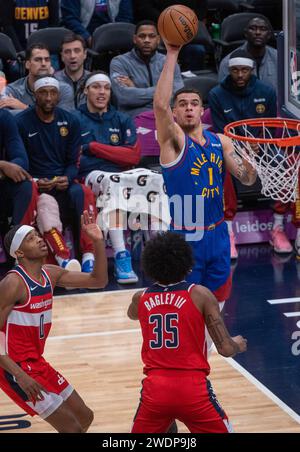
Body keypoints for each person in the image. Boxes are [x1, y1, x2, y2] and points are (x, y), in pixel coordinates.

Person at [153, 41, 257, 310]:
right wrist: (173, 53)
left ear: (202, 111)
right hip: (186, 236)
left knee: (217, 303)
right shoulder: (172, 141)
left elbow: (246, 179)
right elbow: (160, 106)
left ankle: (207, 352)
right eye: (183, 104)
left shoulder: (220, 142)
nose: (188, 108)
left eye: (194, 103)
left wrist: (252, 158)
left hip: (218, 232)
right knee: (187, 308)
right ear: (175, 113)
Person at [128, 231, 247, 433]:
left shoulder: (141, 298)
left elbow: (132, 314)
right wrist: (238, 343)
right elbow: (226, 349)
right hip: (192, 389)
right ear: (187, 265)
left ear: (150, 267)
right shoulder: (201, 295)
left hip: (155, 390)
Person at [0, 212, 108, 433]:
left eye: (38, 235)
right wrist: (20, 375)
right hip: (14, 367)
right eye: (30, 238)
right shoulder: (13, 283)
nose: (39, 239)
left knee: (84, 417)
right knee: (72, 429)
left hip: (36, 361)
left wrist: (97, 242)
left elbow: (98, 280)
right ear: (19, 253)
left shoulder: (51, 273)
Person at [16, 76, 97, 272]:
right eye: (43, 93)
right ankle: (60, 258)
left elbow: (73, 161)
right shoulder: (20, 121)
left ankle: (88, 256)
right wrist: (35, 180)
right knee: (42, 202)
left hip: (62, 180)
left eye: (53, 93)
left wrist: (67, 178)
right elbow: (18, 159)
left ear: (59, 96)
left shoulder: (70, 121)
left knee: (84, 192)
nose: (48, 97)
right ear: (35, 95)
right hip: (35, 182)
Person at [208, 49, 277, 258]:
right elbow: (221, 131)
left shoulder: (267, 91)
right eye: (235, 70)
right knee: (221, 170)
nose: (239, 75)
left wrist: (259, 145)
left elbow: (271, 128)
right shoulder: (216, 94)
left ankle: (280, 226)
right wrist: (243, 148)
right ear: (229, 70)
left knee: (286, 166)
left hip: (262, 147)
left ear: (252, 70)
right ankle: (228, 232)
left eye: (244, 70)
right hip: (231, 149)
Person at [76, 71, 140, 284]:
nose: (102, 92)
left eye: (106, 87)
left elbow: (133, 156)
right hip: (89, 176)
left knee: (156, 182)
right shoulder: (74, 118)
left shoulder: (122, 119)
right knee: (113, 183)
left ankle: (163, 254)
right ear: (86, 90)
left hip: (121, 176)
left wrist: (93, 147)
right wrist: (115, 154)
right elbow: (76, 158)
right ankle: (122, 255)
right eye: (96, 87)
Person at [110, 20, 183, 117]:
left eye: (152, 36)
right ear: (135, 39)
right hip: (134, 117)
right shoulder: (119, 62)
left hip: (165, 116)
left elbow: (177, 94)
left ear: (158, 39)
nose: (147, 40)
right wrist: (164, 91)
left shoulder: (169, 62)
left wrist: (136, 90)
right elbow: (124, 97)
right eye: (142, 36)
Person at [0, 44, 74, 112]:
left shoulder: (63, 89)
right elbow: (7, 120)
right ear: (28, 64)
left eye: (47, 60)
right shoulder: (12, 90)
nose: (43, 64)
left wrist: (24, 108)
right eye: (38, 60)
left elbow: (63, 119)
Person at [218, 16, 278, 94]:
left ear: (269, 35)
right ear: (246, 33)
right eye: (253, 28)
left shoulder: (280, 58)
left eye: (263, 29)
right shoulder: (229, 62)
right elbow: (223, 95)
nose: (258, 32)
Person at [0, 108, 36, 228]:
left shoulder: (3, 117)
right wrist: (2, 165)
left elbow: (21, 160)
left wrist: (6, 168)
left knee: (26, 186)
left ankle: (18, 236)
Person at [61, 0, 134, 48]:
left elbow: (125, 16)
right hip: (84, 35)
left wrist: (116, 37)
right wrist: (86, 37)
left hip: (113, 35)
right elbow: (70, 18)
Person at [55, 33, 90, 109]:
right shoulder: (53, 81)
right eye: (67, 52)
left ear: (85, 54)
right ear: (62, 56)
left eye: (77, 51)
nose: (72, 56)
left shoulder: (93, 80)